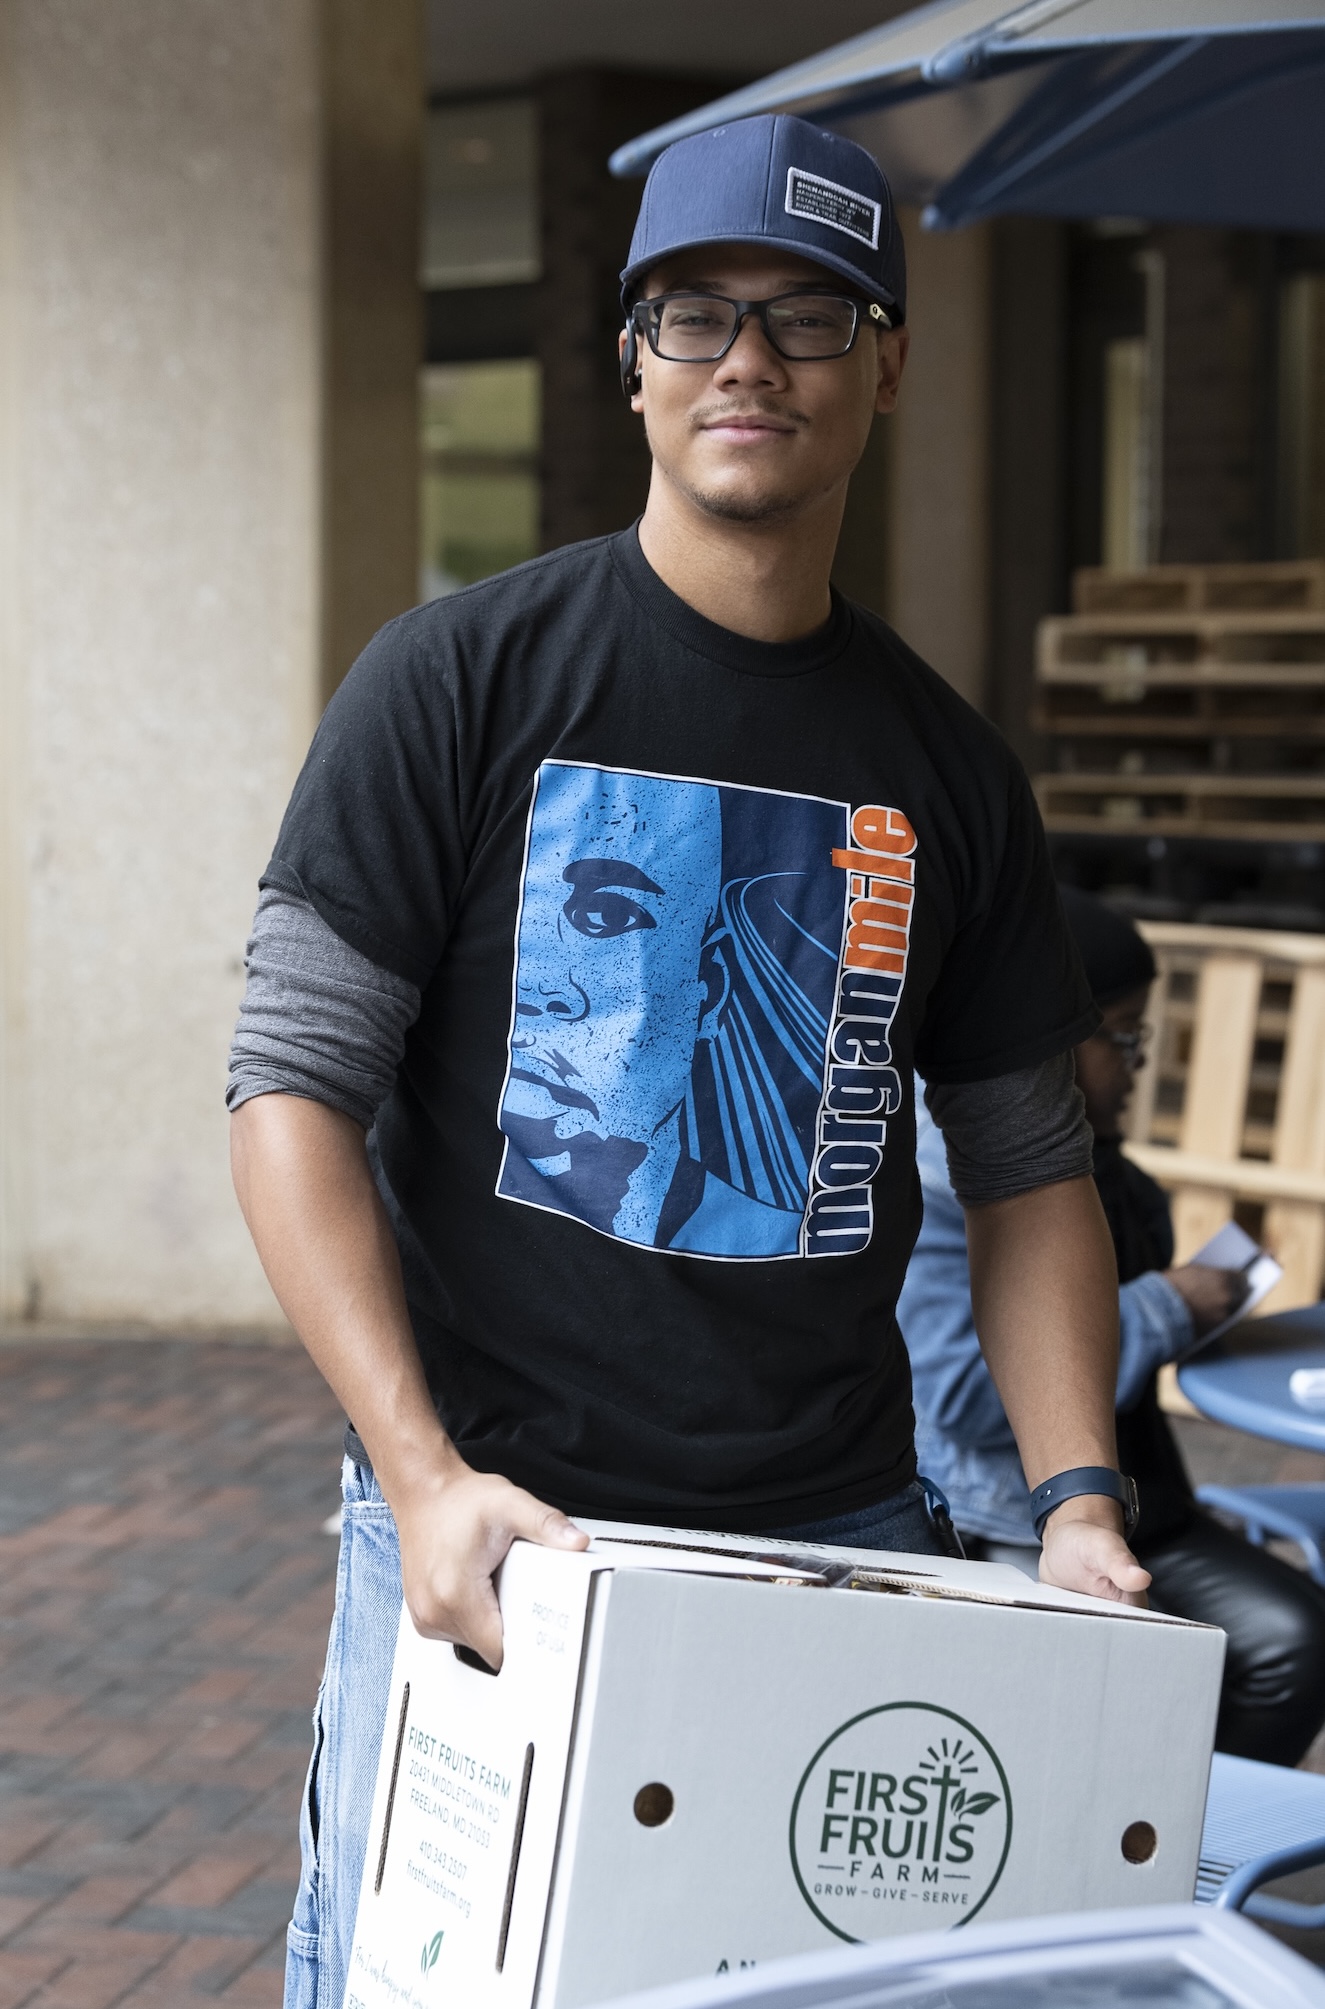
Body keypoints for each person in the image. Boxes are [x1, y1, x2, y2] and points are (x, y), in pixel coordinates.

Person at [228, 116, 1149, 2008]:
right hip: (502, 1511)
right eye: (700, 313)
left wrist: (1075, 1497)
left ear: (889, 365)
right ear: (633, 359)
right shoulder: (459, 675)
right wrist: (418, 1474)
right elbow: (290, 1087)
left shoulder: (954, 769)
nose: (752, 359)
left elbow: (1031, 1168)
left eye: (814, 316)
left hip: (829, 1534)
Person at [899, 886, 1325, 1765]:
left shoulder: (1119, 1178)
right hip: (1009, 1517)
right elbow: (967, 1395)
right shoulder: (938, 1189)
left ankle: (1177, 1835)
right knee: (1100, 1710)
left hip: (1139, 1500)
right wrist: (1168, 1306)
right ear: (1045, 1037)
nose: (1136, 1063)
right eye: (1121, 1034)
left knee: (1290, 1638)